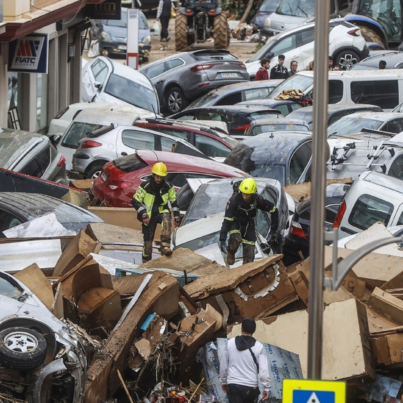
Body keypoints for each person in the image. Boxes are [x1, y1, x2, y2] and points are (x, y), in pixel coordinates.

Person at [219, 178, 279, 265]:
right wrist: (222, 240)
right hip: (235, 222)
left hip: (248, 223)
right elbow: (227, 221)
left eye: (248, 195)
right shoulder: (233, 201)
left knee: (249, 256)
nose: (245, 197)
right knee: (235, 239)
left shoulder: (257, 199)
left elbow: (274, 210)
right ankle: (231, 253)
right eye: (243, 194)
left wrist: (273, 230)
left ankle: (246, 271)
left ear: (253, 193)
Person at [131, 162, 180, 263]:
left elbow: (173, 202)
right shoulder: (145, 186)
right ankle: (146, 261)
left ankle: (165, 247)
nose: (158, 180)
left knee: (167, 220)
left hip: (162, 211)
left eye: (161, 177)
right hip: (148, 215)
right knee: (148, 242)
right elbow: (135, 201)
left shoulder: (168, 186)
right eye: (157, 177)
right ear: (153, 175)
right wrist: (143, 214)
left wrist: (176, 216)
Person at [220, 317, 270, 403]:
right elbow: (263, 371)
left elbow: (223, 366)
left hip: (233, 386)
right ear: (254, 330)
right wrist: (266, 387)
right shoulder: (259, 347)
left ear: (241, 328)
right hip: (250, 388)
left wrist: (224, 382)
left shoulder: (230, 343)